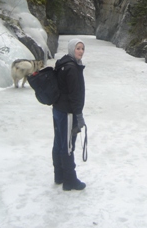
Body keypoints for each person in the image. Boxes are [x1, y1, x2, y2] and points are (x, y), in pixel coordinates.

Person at [52, 38, 86, 191]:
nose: (80, 51)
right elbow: (74, 95)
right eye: (78, 48)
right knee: (68, 145)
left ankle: (59, 175)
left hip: (58, 110)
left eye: (82, 49)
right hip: (67, 112)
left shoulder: (63, 64)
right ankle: (70, 180)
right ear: (72, 49)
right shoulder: (72, 68)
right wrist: (78, 116)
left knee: (59, 143)